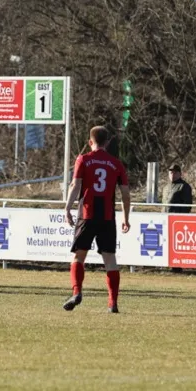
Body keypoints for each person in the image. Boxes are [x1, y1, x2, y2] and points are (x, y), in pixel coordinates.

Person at [63, 126, 131, 313]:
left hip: (87, 214)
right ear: (107, 142)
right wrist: (126, 218)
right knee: (110, 258)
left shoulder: (83, 159)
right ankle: (112, 303)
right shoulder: (116, 163)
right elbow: (125, 194)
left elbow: (75, 185)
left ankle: (76, 292)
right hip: (107, 216)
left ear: (90, 142)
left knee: (79, 256)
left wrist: (67, 208)